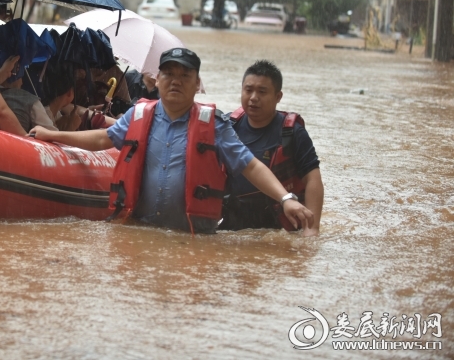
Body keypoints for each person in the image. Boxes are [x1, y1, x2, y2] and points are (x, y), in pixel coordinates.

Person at [29, 47, 314, 234]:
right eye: (169, 74)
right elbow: (103, 138)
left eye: (184, 75)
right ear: (159, 79)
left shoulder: (214, 125)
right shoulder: (139, 114)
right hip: (140, 230)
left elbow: (250, 166)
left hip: (191, 237)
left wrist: (286, 198)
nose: (175, 81)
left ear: (196, 83)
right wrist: (53, 135)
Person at [221, 60, 323, 236]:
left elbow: (312, 180)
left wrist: (312, 228)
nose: (253, 97)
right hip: (234, 220)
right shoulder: (227, 127)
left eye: (262, 92)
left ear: (278, 97)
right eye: (248, 90)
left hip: (281, 221)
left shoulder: (292, 133)